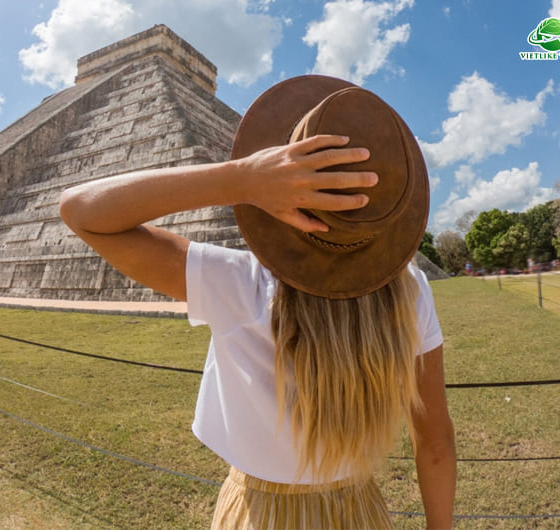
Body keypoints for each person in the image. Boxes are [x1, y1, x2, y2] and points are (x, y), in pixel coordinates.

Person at [60, 75, 456, 529]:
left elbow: (81, 209)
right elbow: (435, 443)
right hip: (359, 511)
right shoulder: (410, 291)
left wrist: (243, 178)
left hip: (258, 514)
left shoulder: (239, 283)